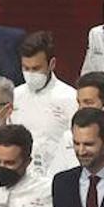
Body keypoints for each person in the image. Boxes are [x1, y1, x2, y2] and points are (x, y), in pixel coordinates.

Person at [10, 31, 76, 177]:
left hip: (57, 176)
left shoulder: (70, 98)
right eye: (26, 68)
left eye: (36, 68)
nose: (30, 73)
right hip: (21, 178)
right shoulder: (14, 96)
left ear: (51, 64)